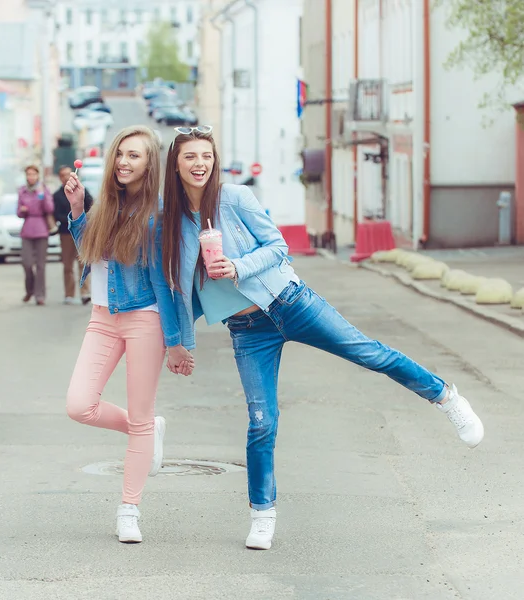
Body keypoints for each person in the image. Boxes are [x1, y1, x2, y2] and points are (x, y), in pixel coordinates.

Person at [161, 126, 485, 551]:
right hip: (246, 328)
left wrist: (239, 267)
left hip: (290, 301)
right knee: (262, 422)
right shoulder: (167, 220)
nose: (199, 163)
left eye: (205, 155)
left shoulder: (235, 198)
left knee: (370, 354)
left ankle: (446, 397)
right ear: (176, 164)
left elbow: (278, 247)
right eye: (190, 157)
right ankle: (262, 514)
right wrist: (177, 340)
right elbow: (171, 286)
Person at [63, 125, 194, 544]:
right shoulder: (105, 205)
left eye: (134, 155)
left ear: (148, 163)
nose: (123, 162)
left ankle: (129, 509)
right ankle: (145, 429)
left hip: (144, 320)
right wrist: (79, 209)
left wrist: (177, 341)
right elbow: (93, 251)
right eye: (120, 154)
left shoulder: (156, 215)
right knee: (79, 405)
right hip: (102, 318)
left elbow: (165, 281)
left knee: (139, 414)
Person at [53, 165, 93, 305]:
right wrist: (71, 218)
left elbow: (91, 206)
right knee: (67, 265)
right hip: (65, 233)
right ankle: (69, 294)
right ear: (59, 177)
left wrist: (81, 219)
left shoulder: (82, 190)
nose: (65, 177)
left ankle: (85, 293)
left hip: (82, 232)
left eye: (67, 174)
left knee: (83, 262)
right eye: (62, 174)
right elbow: (56, 214)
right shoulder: (57, 195)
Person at [17, 165, 54, 305]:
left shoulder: (43, 189)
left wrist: (42, 195)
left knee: (40, 265)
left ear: (38, 176)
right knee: (26, 263)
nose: (31, 177)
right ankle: (29, 289)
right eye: (28, 174)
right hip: (27, 229)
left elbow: (49, 208)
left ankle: (40, 295)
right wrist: (24, 209)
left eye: (33, 174)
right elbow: (19, 212)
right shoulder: (23, 191)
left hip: (41, 229)